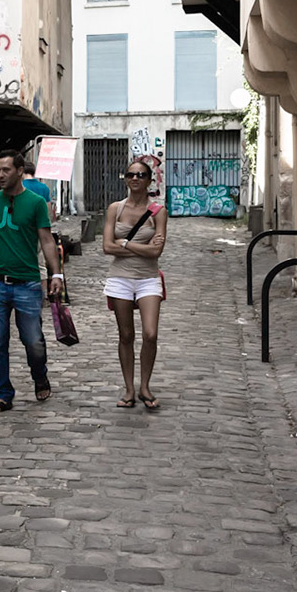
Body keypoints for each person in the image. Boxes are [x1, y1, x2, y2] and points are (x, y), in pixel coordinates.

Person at [0, 149, 65, 414]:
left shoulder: (35, 202)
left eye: (6, 169)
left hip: (28, 284)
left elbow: (46, 240)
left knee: (33, 340)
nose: (0, 174)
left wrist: (56, 274)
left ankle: (39, 374)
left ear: (20, 171)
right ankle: (2, 394)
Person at [101, 156, 169, 409]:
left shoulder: (158, 212)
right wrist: (142, 247)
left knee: (150, 334)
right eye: (130, 175)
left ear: (150, 180)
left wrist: (126, 244)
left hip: (148, 278)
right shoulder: (115, 209)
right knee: (126, 335)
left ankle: (145, 385)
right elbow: (107, 247)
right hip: (120, 279)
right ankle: (129, 389)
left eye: (141, 175)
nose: (135, 179)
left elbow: (156, 253)